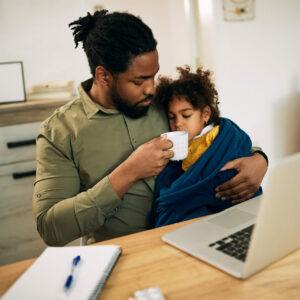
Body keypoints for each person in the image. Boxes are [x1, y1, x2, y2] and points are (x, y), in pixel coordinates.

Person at [32, 10, 268, 246]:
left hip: (198, 236)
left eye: (153, 77)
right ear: (104, 76)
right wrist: (128, 172)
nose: (151, 89)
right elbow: (51, 228)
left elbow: (213, 136)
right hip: (126, 253)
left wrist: (258, 159)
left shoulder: (166, 104)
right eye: (138, 81)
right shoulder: (59, 132)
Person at [148, 66, 263, 228]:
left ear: (205, 114)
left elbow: (239, 149)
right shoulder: (179, 144)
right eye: (172, 117)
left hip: (228, 200)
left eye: (186, 115)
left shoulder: (224, 134)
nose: (178, 123)